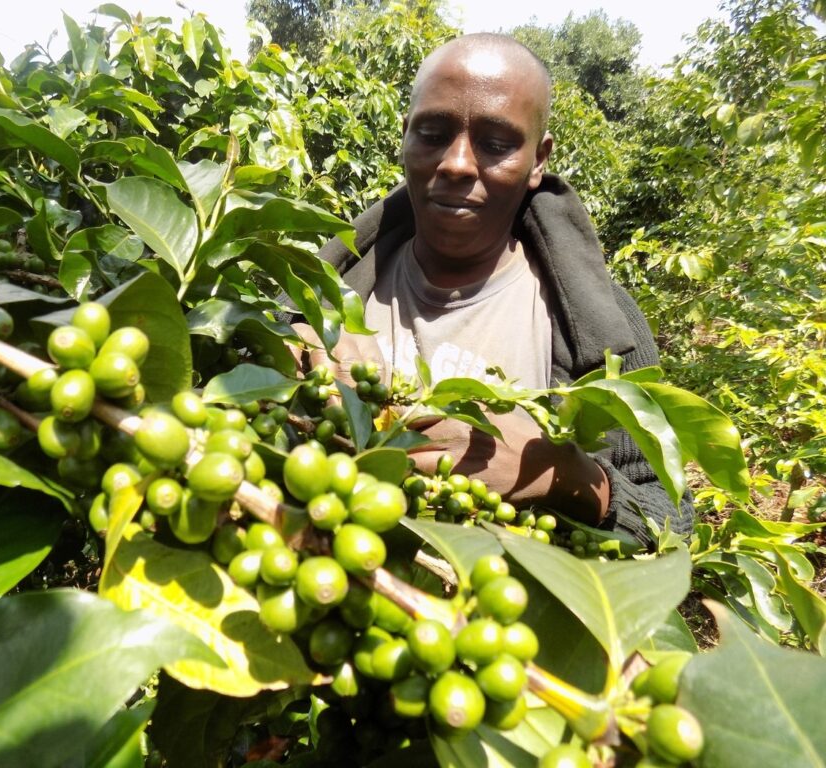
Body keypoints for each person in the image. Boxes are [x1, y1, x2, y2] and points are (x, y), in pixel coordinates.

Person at [295, 33, 693, 546]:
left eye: (497, 144)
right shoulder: (325, 287)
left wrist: (562, 476)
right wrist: (286, 344)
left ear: (539, 159)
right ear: (404, 137)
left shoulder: (601, 326)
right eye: (433, 134)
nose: (457, 164)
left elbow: (674, 518)